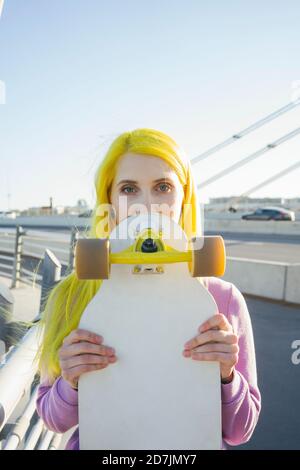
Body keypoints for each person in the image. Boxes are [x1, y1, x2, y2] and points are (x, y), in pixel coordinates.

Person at [35, 128, 261, 450]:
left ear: (184, 198)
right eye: (129, 188)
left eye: (163, 187)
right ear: (109, 202)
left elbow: (241, 431)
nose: (147, 206)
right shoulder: (74, 296)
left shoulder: (222, 298)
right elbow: (53, 420)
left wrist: (227, 376)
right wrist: (69, 383)